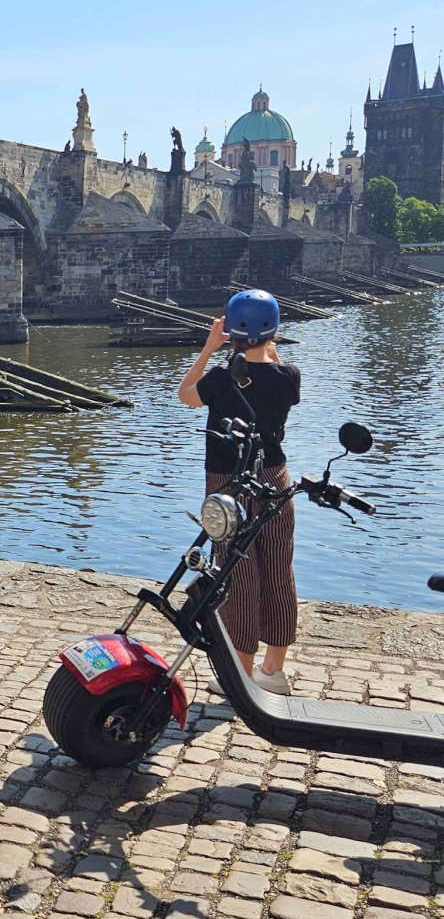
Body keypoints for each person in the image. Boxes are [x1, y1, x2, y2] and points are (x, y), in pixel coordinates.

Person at [178, 289, 300, 695]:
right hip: (276, 479)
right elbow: (279, 376)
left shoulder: (218, 379)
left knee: (237, 571)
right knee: (279, 568)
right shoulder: (289, 377)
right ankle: (274, 671)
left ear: (230, 331)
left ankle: (241, 673)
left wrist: (210, 348)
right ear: (274, 331)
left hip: (230, 484)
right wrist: (269, 348)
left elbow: (185, 396)